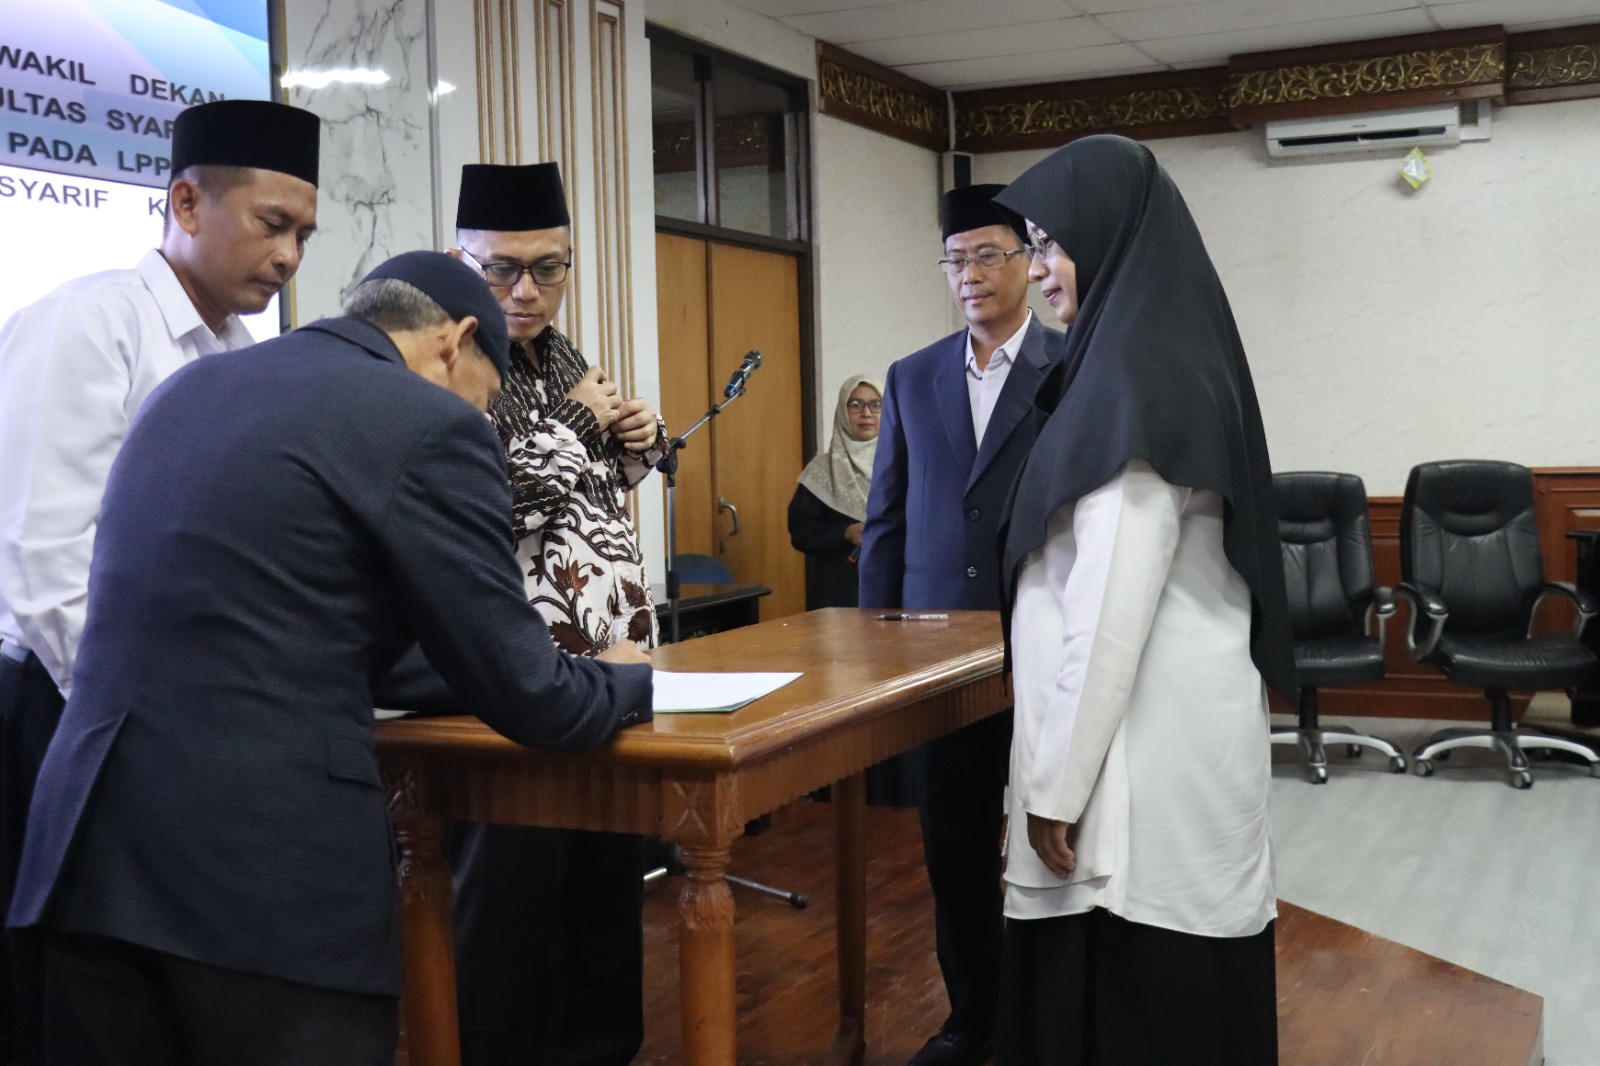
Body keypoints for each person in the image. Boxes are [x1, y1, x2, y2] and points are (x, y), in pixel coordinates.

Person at [6, 251, 655, 1066]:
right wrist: (628, 680)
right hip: (262, 877)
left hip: (83, 855)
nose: (482, 421)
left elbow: (298, 625)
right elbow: (534, 696)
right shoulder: (427, 422)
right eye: (487, 400)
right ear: (454, 341)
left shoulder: (193, 387)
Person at [0, 98, 322, 1066]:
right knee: (65, 995)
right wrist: (122, 719)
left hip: (164, 715)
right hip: (60, 705)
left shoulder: (242, 357)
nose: (288, 257)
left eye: (303, 236)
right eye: (271, 225)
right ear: (186, 203)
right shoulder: (90, 322)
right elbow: (45, 553)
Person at [991, 135, 1296, 1065]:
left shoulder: (1132, 378)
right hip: (1157, 738)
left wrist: (1055, 785)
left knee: (1141, 996)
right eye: (1033, 246)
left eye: (1052, 243)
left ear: (1109, 233)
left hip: (1137, 753)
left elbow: (1108, 611)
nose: (1038, 269)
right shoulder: (1155, 353)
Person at [446, 162, 665, 1066]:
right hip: (517, 689)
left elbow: (584, 499)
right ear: (462, 260)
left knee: (604, 893)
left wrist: (639, 448)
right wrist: (576, 428)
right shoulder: (449, 360)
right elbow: (483, 510)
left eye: (548, 268)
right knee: (513, 908)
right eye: (502, 269)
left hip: (607, 676)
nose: (526, 291)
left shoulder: (569, 357)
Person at [859, 184, 1068, 1066]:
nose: (971, 275)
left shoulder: (1069, 362)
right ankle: (973, 1017)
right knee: (954, 845)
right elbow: (887, 516)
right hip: (938, 652)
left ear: (1026, 261)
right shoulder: (913, 375)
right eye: (956, 260)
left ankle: (1052, 1017)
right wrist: (877, 642)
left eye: (988, 255)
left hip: (1047, 639)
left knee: (1058, 834)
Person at [788, 375, 883, 610]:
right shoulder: (822, 471)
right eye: (855, 405)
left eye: (876, 404)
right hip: (840, 592)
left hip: (894, 587)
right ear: (842, 411)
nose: (866, 413)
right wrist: (845, 533)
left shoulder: (903, 466)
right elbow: (801, 533)